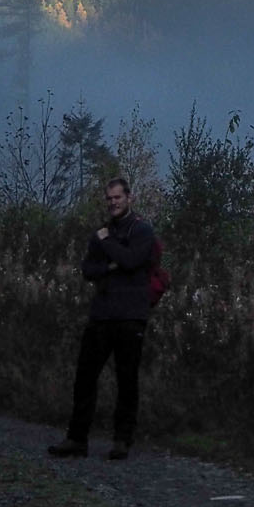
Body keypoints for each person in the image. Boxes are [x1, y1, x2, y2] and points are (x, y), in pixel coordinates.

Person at [48, 177, 156, 460]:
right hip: (102, 314)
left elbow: (133, 261)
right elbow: (88, 270)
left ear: (129, 197)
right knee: (85, 377)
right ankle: (76, 439)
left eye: (117, 197)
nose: (112, 202)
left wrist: (108, 245)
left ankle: (122, 441)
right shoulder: (100, 234)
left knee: (126, 380)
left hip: (131, 315)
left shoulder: (142, 230)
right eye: (109, 198)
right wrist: (112, 261)